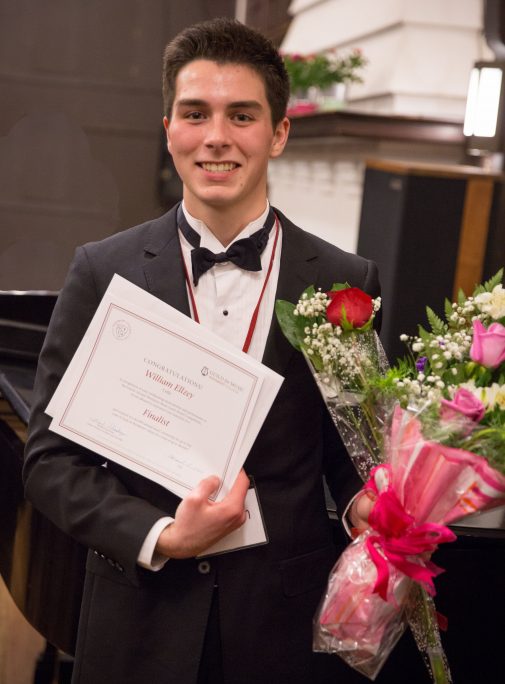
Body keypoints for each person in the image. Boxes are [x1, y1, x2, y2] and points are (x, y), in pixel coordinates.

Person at [24, 17, 379, 684]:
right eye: (195, 113)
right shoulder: (103, 270)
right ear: (168, 129)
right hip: (138, 618)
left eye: (241, 115)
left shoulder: (343, 282)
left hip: (282, 629)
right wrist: (162, 536)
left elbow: (345, 451)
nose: (216, 136)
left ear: (278, 133)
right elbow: (48, 462)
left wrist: (366, 503)